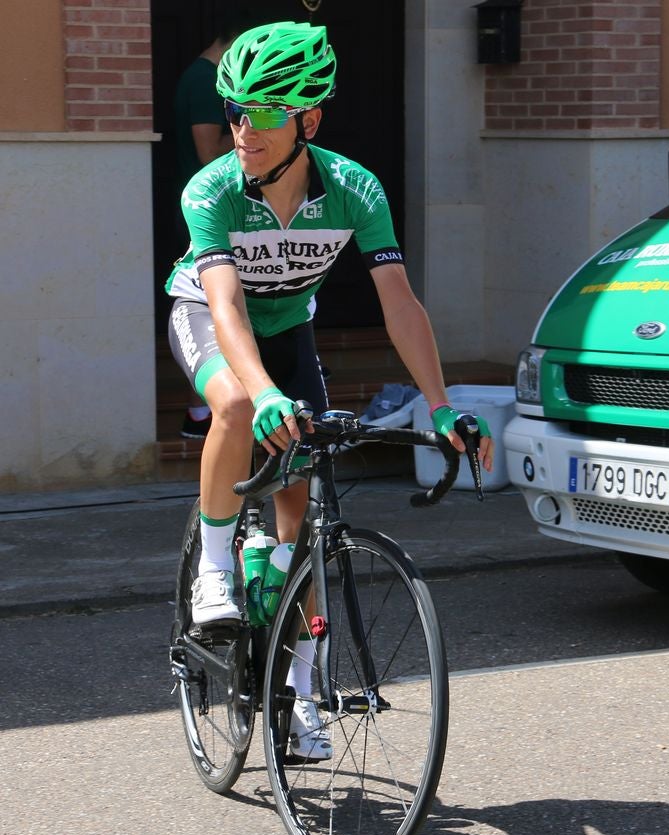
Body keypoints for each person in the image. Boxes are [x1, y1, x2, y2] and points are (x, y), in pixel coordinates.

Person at [164, 21, 494, 758]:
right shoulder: (211, 190)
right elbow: (224, 307)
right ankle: (215, 569)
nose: (244, 129)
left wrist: (440, 403)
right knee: (241, 406)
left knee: (303, 518)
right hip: (211, 319)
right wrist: (264, 393)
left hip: (289, 330)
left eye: (266, 112)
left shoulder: (354, 190)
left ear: (309, 118)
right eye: (236, 111)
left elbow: (399, 303)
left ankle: (303, 689)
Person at [172, 13, 240, 439]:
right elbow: (206, 152)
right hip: (207, 213)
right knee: (216, 310)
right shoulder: (203, 80)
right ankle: (200, 411)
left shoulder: (204, 76)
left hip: (217, 212)